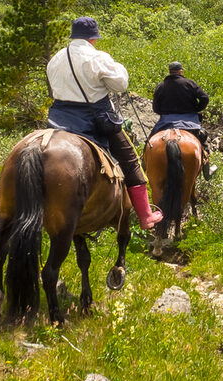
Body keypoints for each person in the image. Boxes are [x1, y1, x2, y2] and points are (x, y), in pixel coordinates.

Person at [45, 16, 162, 229]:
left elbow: (54, 89)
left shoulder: (56, 58)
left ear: (73, 36)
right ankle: (145, 216)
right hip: (93, 119)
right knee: (129, 159)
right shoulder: (97, 57)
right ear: (93, 38)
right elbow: (120, 84)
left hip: (59, 118)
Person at [150, 61, 214, 176]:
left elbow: (155, 107)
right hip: (190, 122)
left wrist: (164, 112)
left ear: (170, 72)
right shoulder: (189, 83)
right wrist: (196, 109)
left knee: (149, 142)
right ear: (181, 71)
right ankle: (206, 169)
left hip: (166, 122)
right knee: (203, 142)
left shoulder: (161, 86)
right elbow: (205, 97)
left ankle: (144, 165)